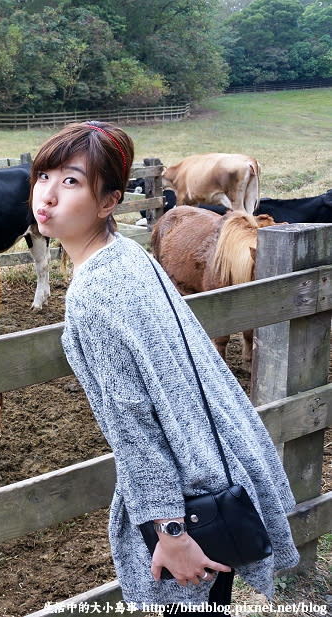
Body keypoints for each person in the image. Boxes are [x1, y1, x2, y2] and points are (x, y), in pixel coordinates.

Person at [30, 121, 299, 612]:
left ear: (110, 201)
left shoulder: (93, 294)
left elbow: (131, 420)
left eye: (70, 181)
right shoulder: (129, 257)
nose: (46, 194)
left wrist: (169, 531)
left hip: (190, 504)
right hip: (223, 468)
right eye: (43, 176)